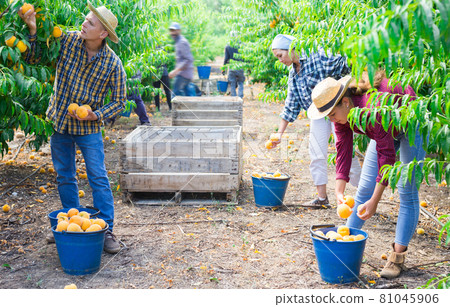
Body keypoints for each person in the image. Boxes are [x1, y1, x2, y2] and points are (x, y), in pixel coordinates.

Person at [19, 2, 126, 254]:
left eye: (90, 23)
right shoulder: (66, 41)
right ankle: (69, 224)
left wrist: (96, 115)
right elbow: (35, 56)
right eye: (86, 19)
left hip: (88, 130)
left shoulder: (112, 63)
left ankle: (106, 229)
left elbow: (120, 102)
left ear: (102, 34)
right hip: (60, 123)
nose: (84, 24)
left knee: (98, 176)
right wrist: (33, 29)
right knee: (64, 175)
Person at [308, 75, 425, 279]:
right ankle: (344, 242)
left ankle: (397, 258)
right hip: (385, 130)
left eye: (332, 114)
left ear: (346, 102)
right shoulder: (343, 114)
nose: (331, 119)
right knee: (363, 189)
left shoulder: (373, 109)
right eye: (328, 116)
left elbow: (386, 157)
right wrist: (339, 190)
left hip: (411, 123)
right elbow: (343, 149)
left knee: (407, 192)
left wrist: (375, 201)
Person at [270, 34, 361, 207]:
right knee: (316, 153)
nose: (280, 60)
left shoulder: (317, 55)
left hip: (336, 109)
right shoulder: (293, 75)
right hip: (318, 114)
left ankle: (363, 194)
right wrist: (279, 133)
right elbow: (291, 104)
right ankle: (322, 198)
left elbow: (345, 62)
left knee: (345, 151)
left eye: (280, 56)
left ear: (290, 48)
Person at [168, 22, 194, 96]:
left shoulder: (182, 42)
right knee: (187, 97)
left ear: (179, 31)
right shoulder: (178, 41)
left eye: (174, 30)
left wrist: (175, 71)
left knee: (174, 95)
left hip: (183, 75)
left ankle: (174, 108)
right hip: (185, 74)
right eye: (171, 30)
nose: (172, 33)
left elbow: (188, 60)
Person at [223, 32, 245, 98]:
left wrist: (224, 68)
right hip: (241, 66)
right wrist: (248, 68)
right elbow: (246, 57)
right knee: (240, 82)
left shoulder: (228, 46)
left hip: (232, 67)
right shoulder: (243, 45)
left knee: (232, 83)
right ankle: (240, 97)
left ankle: (234, 98)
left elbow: (226, 59)